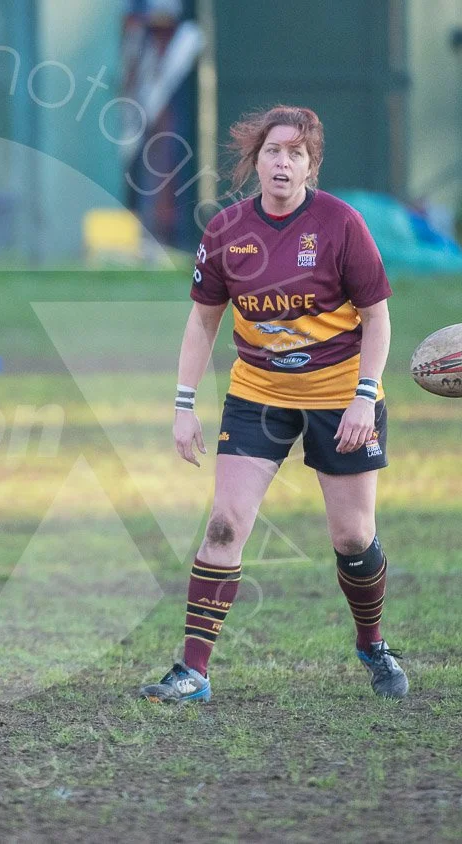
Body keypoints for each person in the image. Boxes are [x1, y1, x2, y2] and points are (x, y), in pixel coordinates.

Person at [139, 105, 408, 705]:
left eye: (295, 153)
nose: (282, 162)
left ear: (312, 165)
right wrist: (184, 404)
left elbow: (377, 317)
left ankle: (372, 644)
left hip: (340, 394)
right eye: (272, 151)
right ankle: (192, 672)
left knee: (353, 537)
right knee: (223, 525)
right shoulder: (226, 231)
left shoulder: (341, 224)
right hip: (258, 393)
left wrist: (365, 397)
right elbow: (202, 322)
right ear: (255, 162)